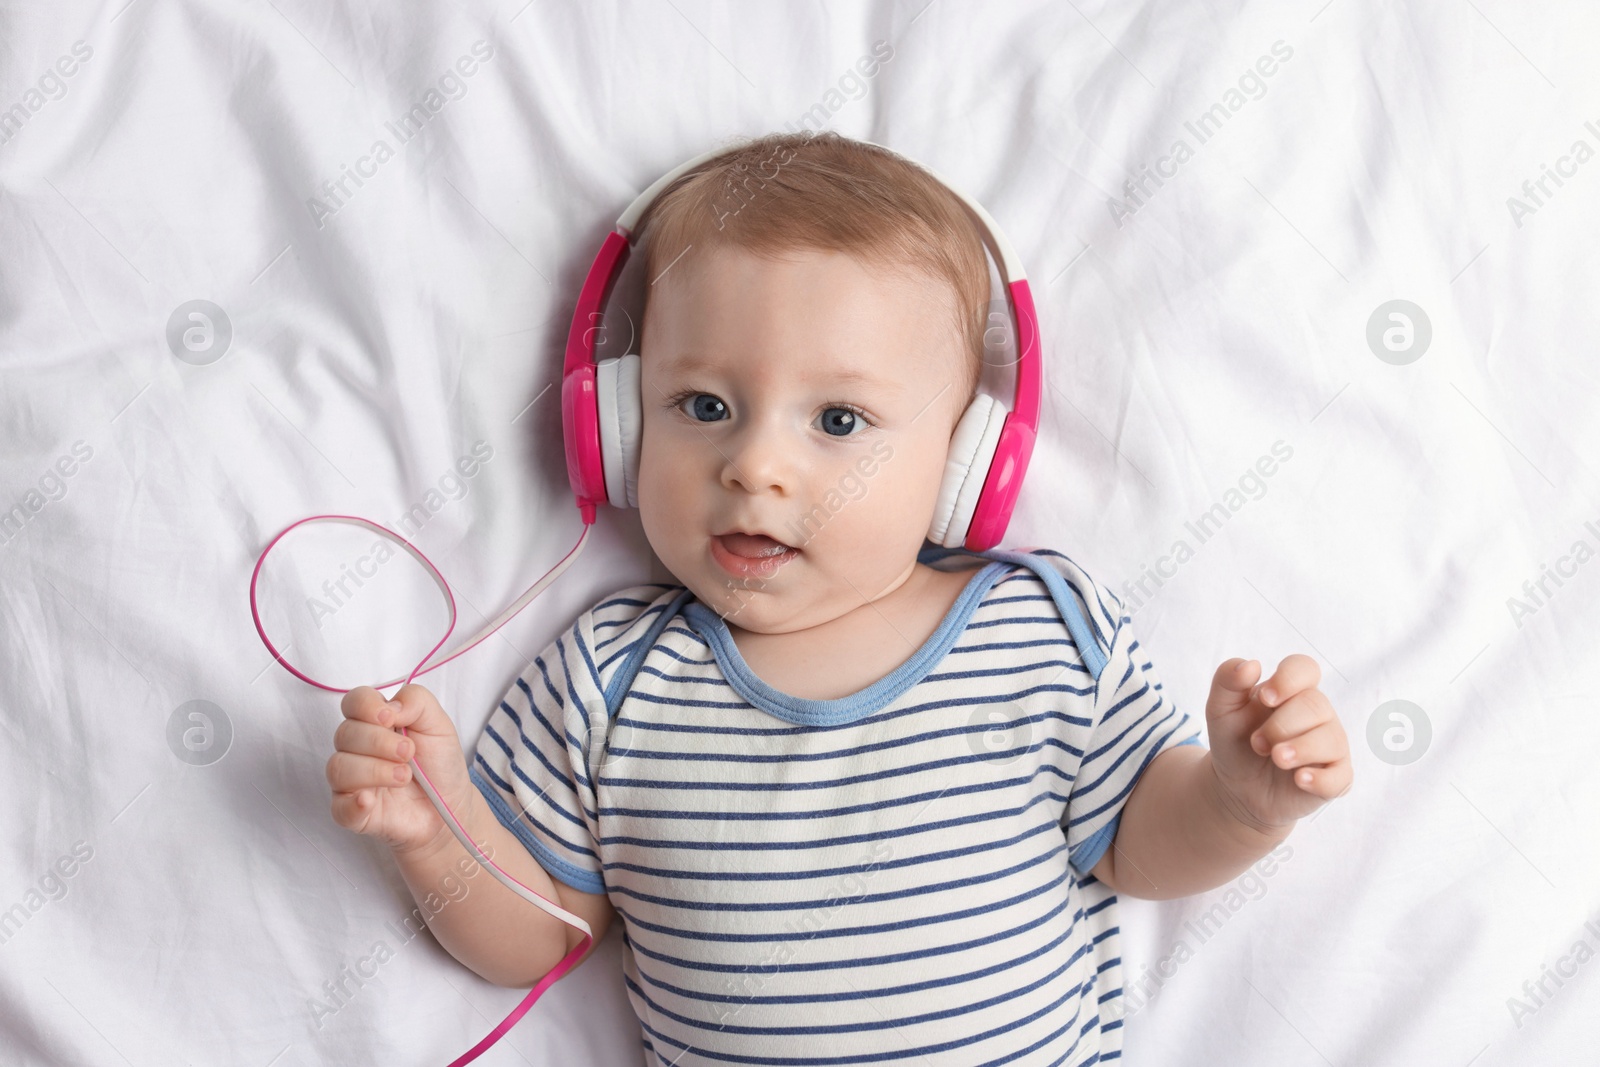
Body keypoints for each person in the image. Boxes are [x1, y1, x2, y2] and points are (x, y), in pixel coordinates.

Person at [325, 131, 1353, 1065]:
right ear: (621, 432)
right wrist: (436, 825)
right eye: (706, 404)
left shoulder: (1038, 631)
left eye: (841, 420)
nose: (755, 464)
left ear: (966, 462)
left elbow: (1136, 847)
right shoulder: (609, 677)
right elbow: (537, 938)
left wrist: (1237, 802)